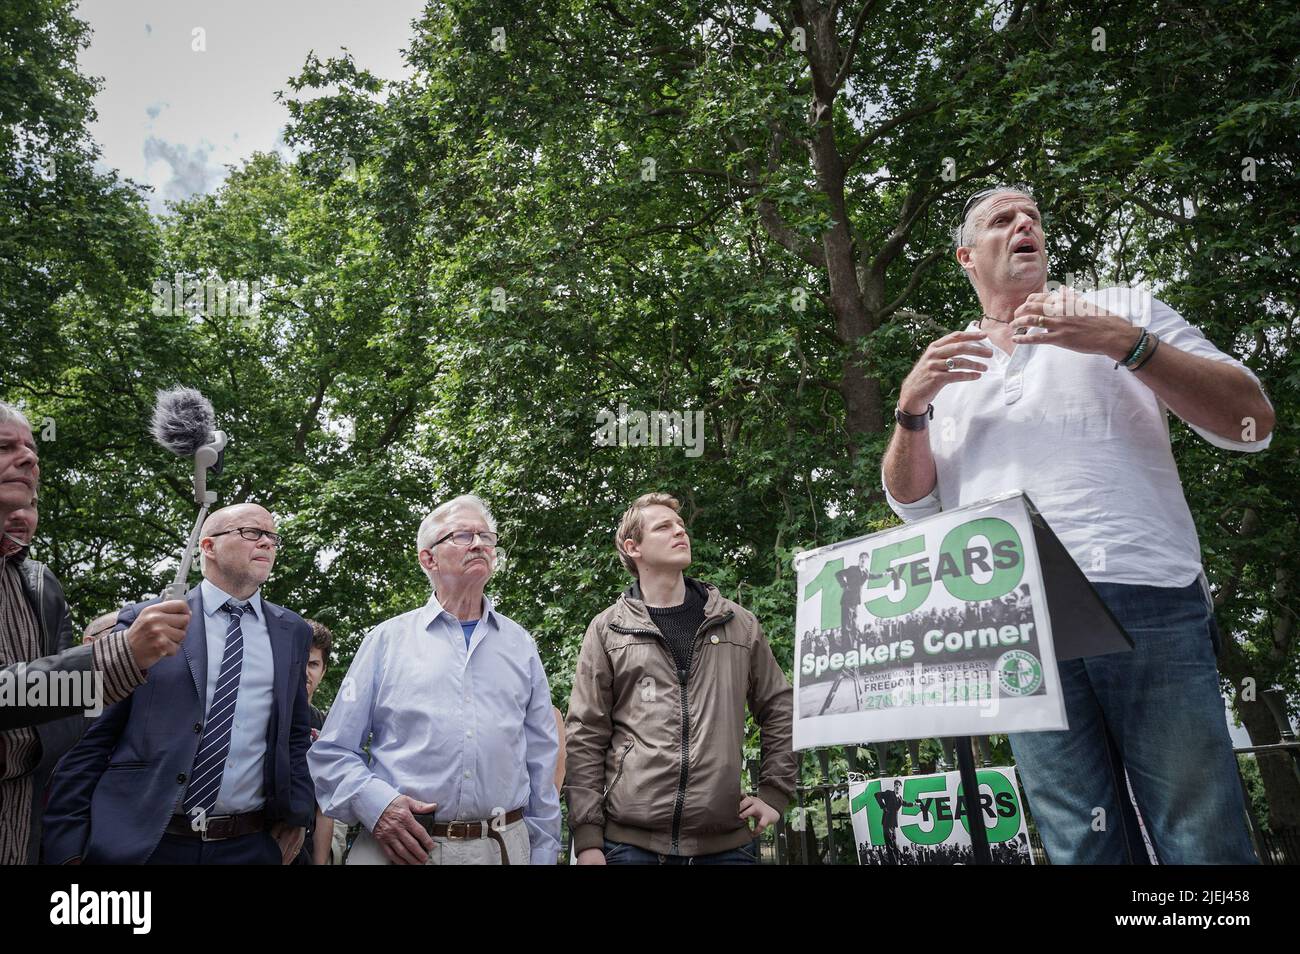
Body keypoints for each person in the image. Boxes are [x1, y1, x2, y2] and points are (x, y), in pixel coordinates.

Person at [881, 184, 1274, 864]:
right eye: (1003, 219)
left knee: (1200, 837)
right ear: (966, 257)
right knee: (1077, 845)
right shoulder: (949, 362)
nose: (1025, 222)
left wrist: (1127, 344)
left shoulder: (1119, 309)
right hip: (1016, 627)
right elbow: (913, 503)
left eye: (1032, 214)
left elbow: (1252, 423)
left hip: (1144, 596)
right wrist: (911, 410)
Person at [43, 503, 314, 864]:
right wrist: (67, 847)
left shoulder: (292, 631)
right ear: (208, 546)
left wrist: (297, 815)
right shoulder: (147, 621)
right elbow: (90, 738)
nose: (266, 542)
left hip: (247, 845)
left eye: (272, 536)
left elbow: (295, 733)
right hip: (146, 844)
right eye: (252, 532)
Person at [309, 494, 561, 865]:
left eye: (486, 536)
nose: (479, 544)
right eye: (462, 535)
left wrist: (543, 853)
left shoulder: (520, 644)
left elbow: (541, 763)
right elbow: (332, 753)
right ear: (428, 558)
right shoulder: (385, 641)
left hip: (502, 850)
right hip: (401, 848)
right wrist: (378, 807)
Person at [0, 402, 188, 864]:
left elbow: (61, 713)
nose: (29, 459)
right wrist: (119, 655)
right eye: (6, 447)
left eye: (33, 449)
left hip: (22, 823)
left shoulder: (39, 587)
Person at [566, 492, 797, 865]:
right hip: (629, 845)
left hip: (727, 844)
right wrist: (588, 838)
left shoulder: (739, 624)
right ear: (633, 547)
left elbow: (780, 707)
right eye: (663, 527)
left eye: (681, 526)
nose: (679, 532)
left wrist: (774, 793)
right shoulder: (608, 630)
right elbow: (585, 734)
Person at [875, 779, 916, 863]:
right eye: (896, 785)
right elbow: (877, 795)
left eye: (899, 785)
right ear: (894, 786)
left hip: (893, 824)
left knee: (894, 844)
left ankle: (896, 861)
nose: (897, 786)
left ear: (900, 787)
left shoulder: (900, 798)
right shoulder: (889, 793)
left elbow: (906, 803)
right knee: (889, 845)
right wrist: (883, 806)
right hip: (887, 822)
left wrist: (915, 804)